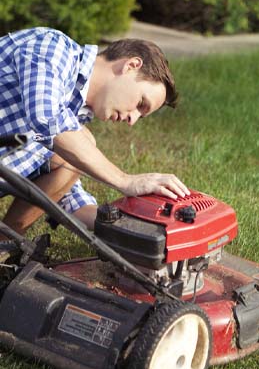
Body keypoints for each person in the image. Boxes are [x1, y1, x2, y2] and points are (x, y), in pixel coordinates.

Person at [0, 26, 189, 238]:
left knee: (77, 148)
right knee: (81, 140)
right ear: (131, 66)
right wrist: (125, 180)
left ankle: (3, 248)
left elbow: (62, 193)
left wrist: (122, 224)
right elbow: (47, 120)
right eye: (140, 104)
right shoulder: (52, 47)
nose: (132, 120)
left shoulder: (74, 116)